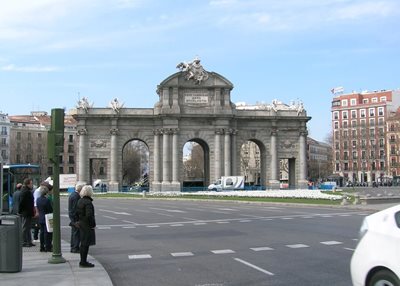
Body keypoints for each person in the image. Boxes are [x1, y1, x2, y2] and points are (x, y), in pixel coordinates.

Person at [76, 185, 96, 268]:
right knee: (86, 244)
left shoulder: (80, 201)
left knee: (83, 243)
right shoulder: (88, 202)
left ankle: (83, 260)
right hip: (86, 225)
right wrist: (93, 225)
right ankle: (83, 262)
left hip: (81, 223)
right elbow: (89, 215)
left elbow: (77, 213)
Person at [36, 184, 53, 252]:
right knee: (47, 233)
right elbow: (50, 209)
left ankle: (42, 246)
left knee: (42, 232)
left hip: (41, 217)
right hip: (47, 217)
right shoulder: (47, 200)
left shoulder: (38, 199)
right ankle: (47, 246)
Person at [19, 178, 35, 247]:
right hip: (26, 212)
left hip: (27, 212)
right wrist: (20, 211)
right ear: (28, 184)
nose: (32, 185)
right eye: (31, 183)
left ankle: (29, 241)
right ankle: (24, 241)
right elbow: (21, 203)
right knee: (25, 227)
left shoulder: (26, 191)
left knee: (28, 227)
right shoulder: (25, 191)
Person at [69, 183, 84, 253]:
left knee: (74, 233)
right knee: (76, 233)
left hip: (72, 216)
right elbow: (75, 208)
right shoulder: (76, 196)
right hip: (75, 217)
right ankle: (75, 247)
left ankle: (73, 246)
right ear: (80, 189)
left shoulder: (72, 194)